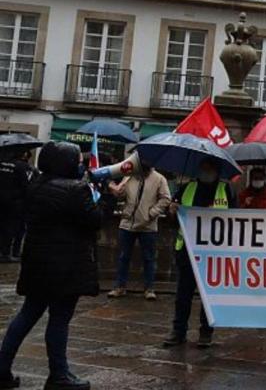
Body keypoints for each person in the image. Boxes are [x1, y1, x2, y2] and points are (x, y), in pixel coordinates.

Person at [0, 142, 101, 390]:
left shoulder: (36, 184)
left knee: (27, 315)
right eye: (77, 160)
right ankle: (59, 375)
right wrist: (103, 194)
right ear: (66, 162)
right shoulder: (76, 190)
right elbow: (94, 221)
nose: (80, 165)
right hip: (66, 265)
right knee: (59, 319)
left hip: (37, 261)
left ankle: (1, 369)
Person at [162, 159, 237, 349]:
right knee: (183, 294)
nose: (206, 171)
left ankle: (206, 333)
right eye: (203, 168)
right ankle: (178, 332)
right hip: (188, 250)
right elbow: (173, 218)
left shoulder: (226, 190)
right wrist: (171, 210)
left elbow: (236, 219)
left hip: (214, 253)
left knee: (208, 296)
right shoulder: (187, 188)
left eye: (210, 168)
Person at [107, 159, 171, 301]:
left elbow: (166, 198)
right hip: (127, 223)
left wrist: (152, 213)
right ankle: (120, 287)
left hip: (147, 226)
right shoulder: (129, 176)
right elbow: (122, 195)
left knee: (148, 258)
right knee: (124, 257)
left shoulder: (159, 179)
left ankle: (149, 288)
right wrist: (116, 190)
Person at [0, 151, 34, 263]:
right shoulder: (21, 167)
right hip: (14, 203)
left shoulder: (2, 164)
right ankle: (6, 253)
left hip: (2, 200)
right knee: (11, 227)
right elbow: (25, 186)